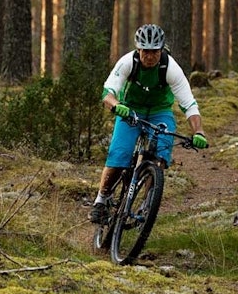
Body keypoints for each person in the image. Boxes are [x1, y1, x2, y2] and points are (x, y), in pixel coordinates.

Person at [89, 23, 208, 224]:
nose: (150, 56)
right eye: (145, 51)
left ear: (161, 50)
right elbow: (107, 93)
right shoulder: (128, 62)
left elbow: (189, 104)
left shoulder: (170, 67)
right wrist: (117, 105)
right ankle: (102, 199)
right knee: (119, 155)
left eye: (154, 52)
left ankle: (148, 202)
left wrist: (199, 132)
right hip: (130, 110)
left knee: (159, 157)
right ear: (138, 49)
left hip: (160, 113)